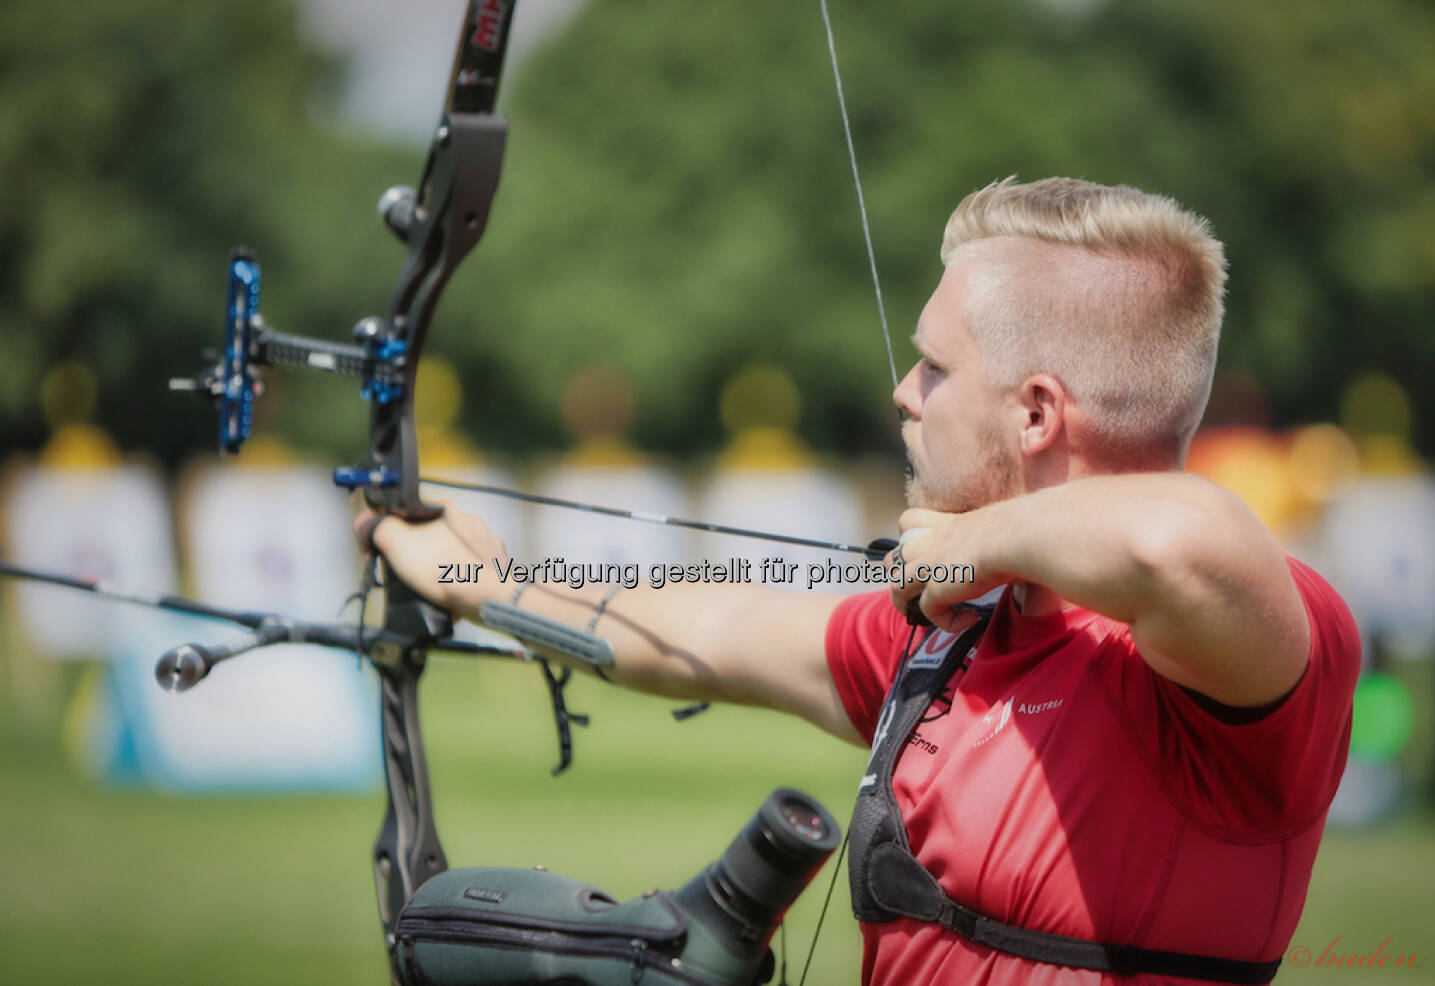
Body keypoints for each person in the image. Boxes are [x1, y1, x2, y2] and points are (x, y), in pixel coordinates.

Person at [360, 177, 1360, 985]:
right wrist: (481, 581)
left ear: (1038, 413)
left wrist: (977, 543)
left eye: (934, 367)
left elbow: (1183, 537)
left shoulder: (1246, 652)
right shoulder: (954, 638)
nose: (902, 391)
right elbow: (721, 624)